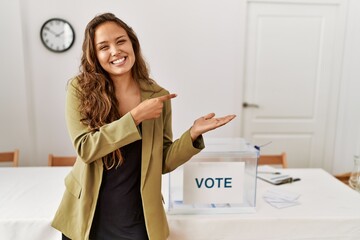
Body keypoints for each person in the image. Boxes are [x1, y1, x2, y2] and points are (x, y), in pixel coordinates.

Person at [51, 12, 236, 240]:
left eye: (120, 41)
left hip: (138, 218)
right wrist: (135, 117)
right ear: (95, 55)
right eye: (104, 47)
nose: (115, 51)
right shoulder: (80, 90)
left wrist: (193, 134)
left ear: (132, 44)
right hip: (88, 217)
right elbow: (85, 148)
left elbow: (162, 161)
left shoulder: (158, 96)